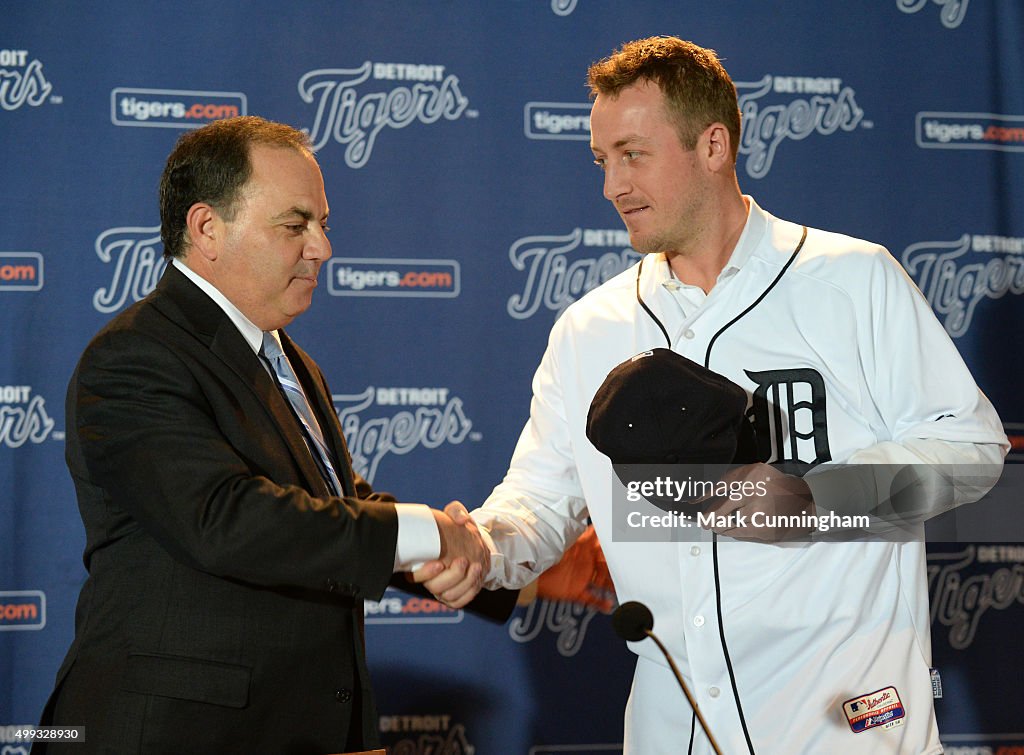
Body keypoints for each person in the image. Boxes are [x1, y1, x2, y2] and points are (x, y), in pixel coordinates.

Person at [414, 37, 1009, 753]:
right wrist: (481, 546)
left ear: (714, 145)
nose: (612, 186)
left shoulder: (853, 281)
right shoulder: (589, 328)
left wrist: (816, 498)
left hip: (843, 728)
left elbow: (973, 446)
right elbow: (537, 503)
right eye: (603, 160)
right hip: (676, 732)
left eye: (633, 153)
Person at [37, 115, 501, 754]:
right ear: (207, 230)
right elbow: (224, 520)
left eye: (323, 224)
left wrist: (499, 560)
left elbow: (337, 513)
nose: (322, 248)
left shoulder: (288, 359)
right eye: (295, 225)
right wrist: (428, 531)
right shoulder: (135, 356)